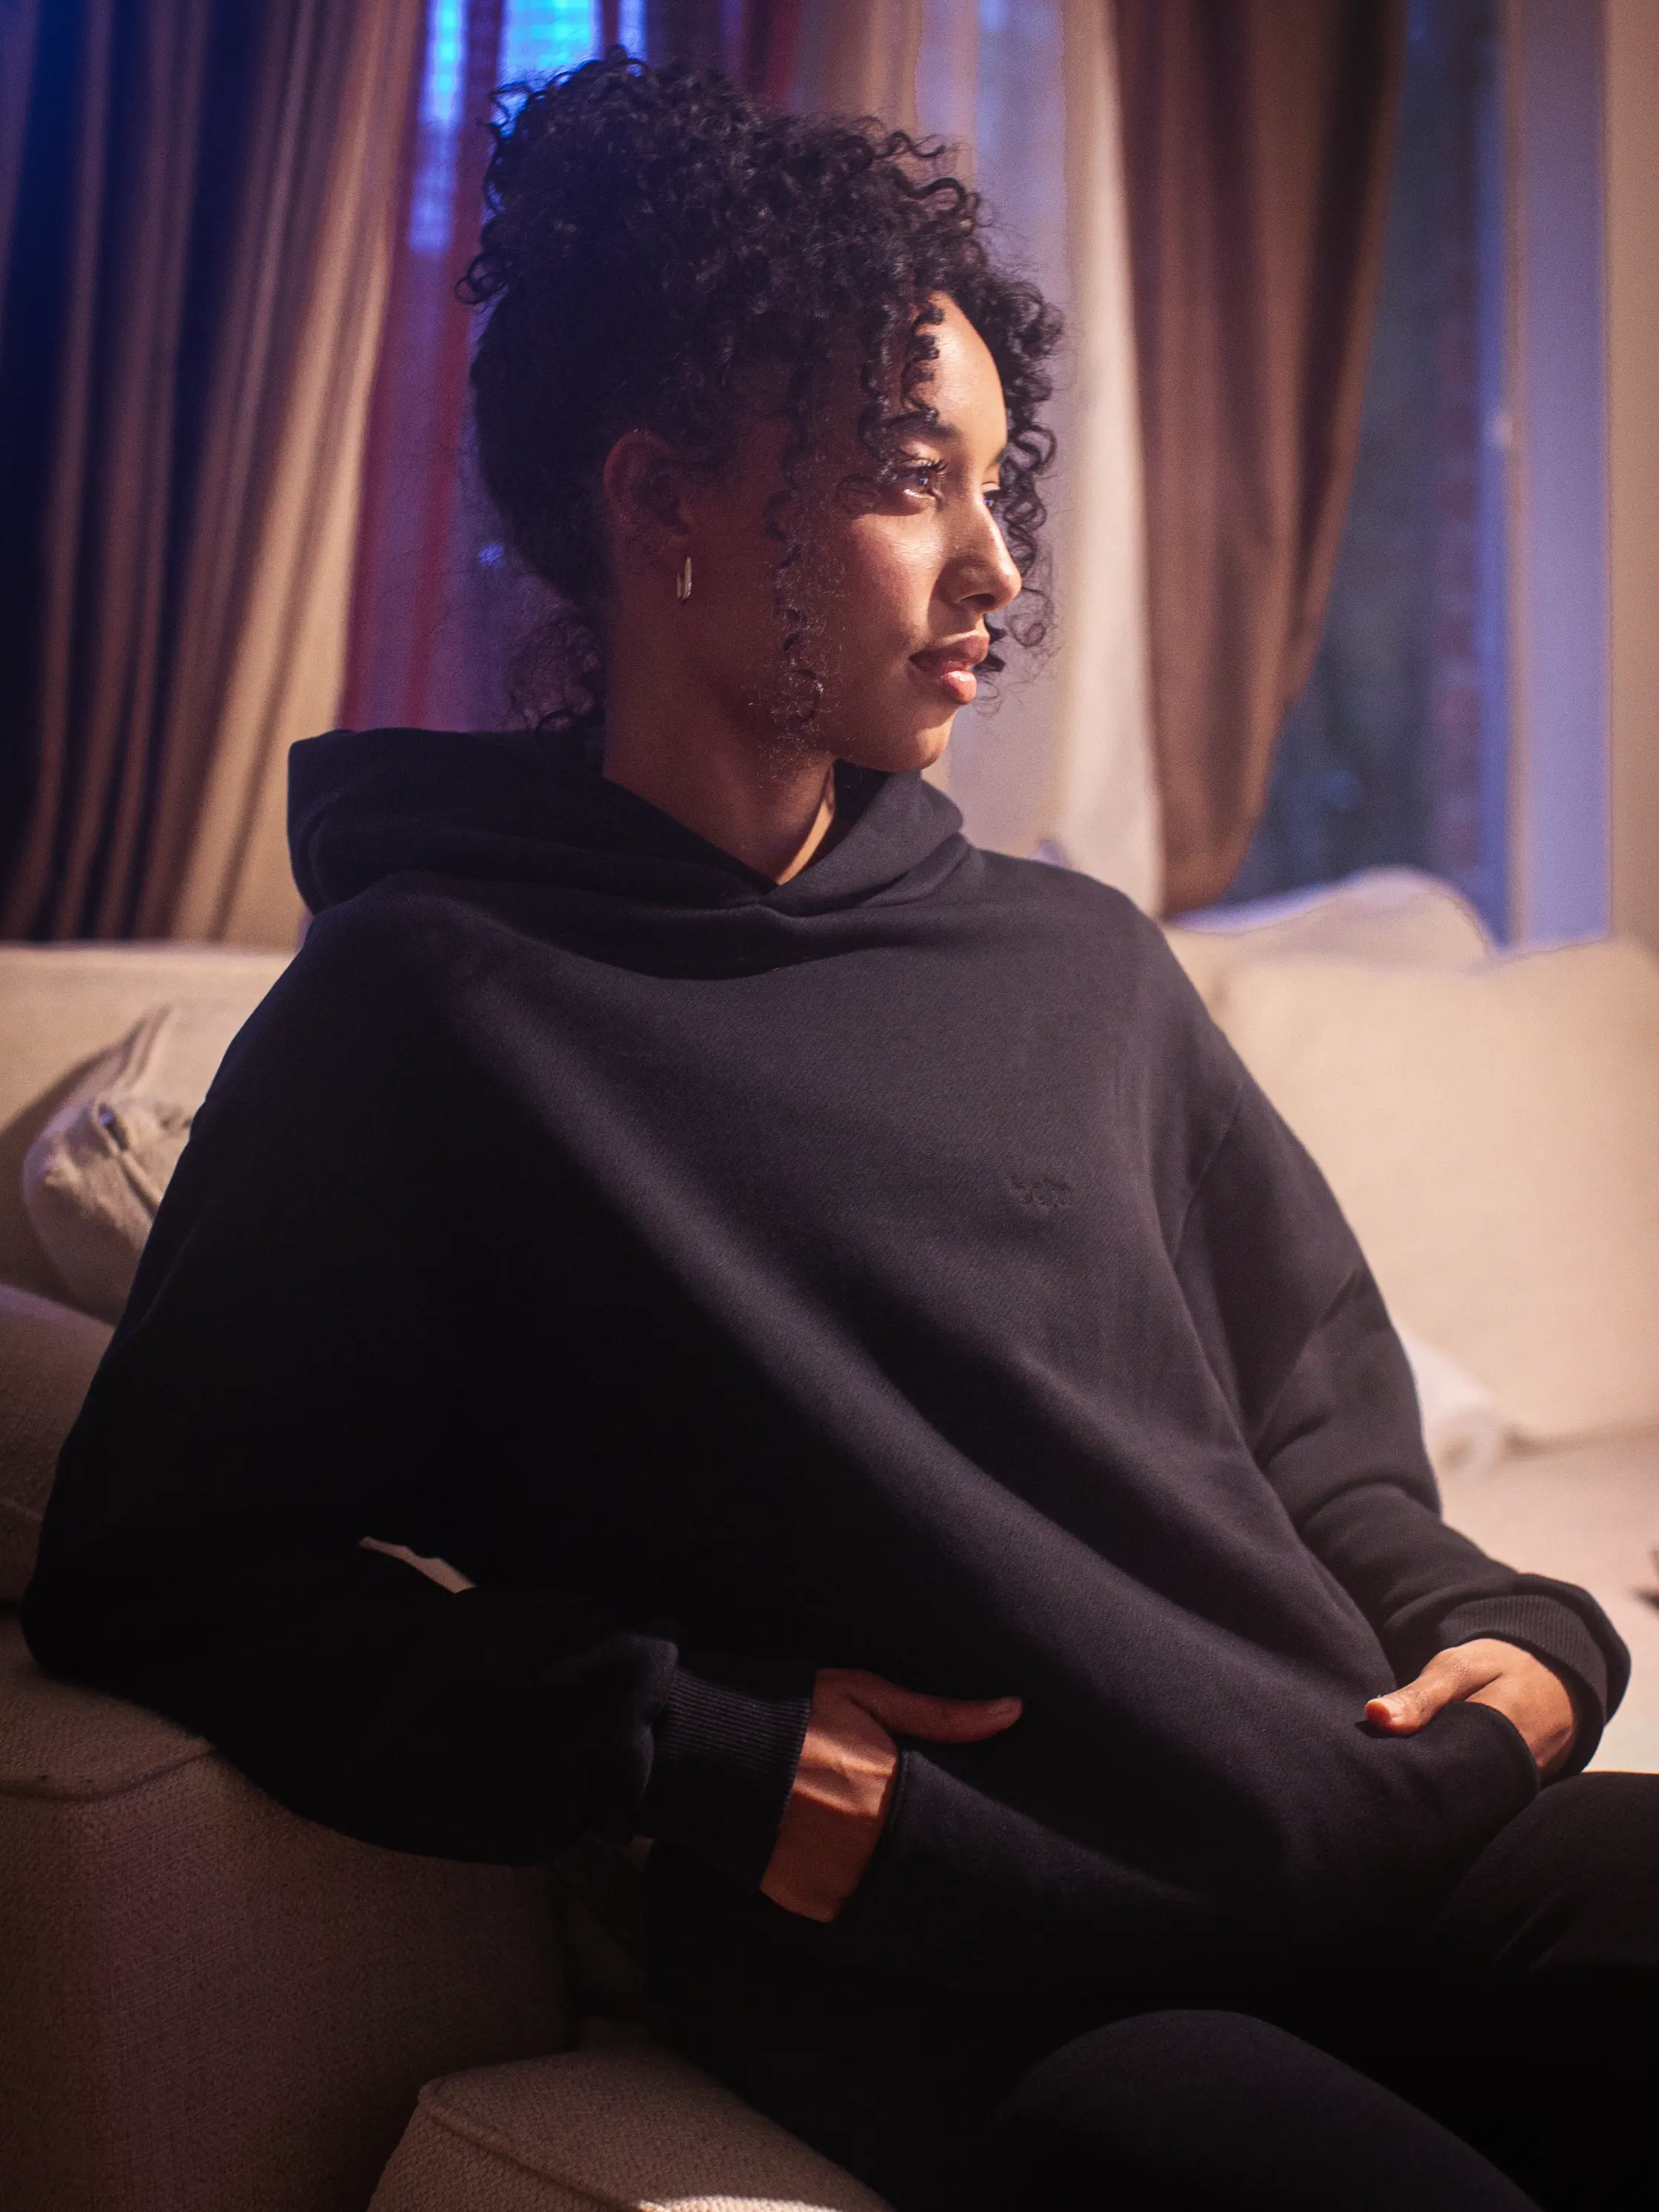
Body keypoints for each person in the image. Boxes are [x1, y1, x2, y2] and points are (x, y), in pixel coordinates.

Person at [24, 53, 1654, 2212]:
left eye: (1003, 484)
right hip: (974, 1982)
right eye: (913, 480)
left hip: (1376, 1836)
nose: (999, 566)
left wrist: (1519, 1640)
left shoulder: (1079, 966)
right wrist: (702, 1752)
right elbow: (167, 1567)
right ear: (661, 504)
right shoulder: (433, 1011)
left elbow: (1314, 1424)